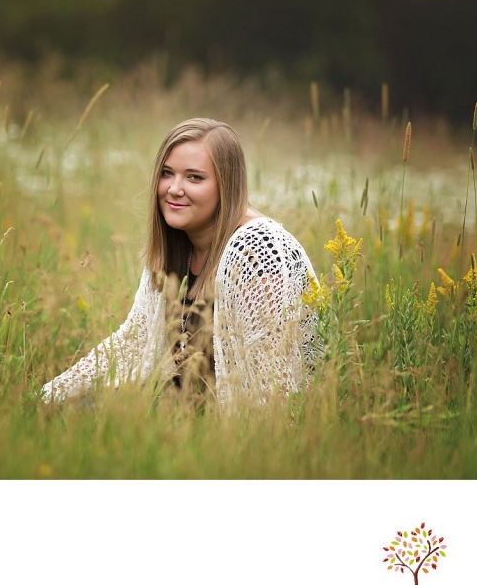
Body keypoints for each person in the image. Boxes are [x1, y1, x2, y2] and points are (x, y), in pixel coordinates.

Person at [41, 118, 318, 409]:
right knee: (67, 411)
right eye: (166, 173)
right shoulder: (178, 244)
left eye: (194, 177)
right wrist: (49, 396)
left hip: (225, 427)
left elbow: (273, 385)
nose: (174, 189)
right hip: (177, 408)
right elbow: (133, 341)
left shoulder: (259, 250)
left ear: (226, 185)